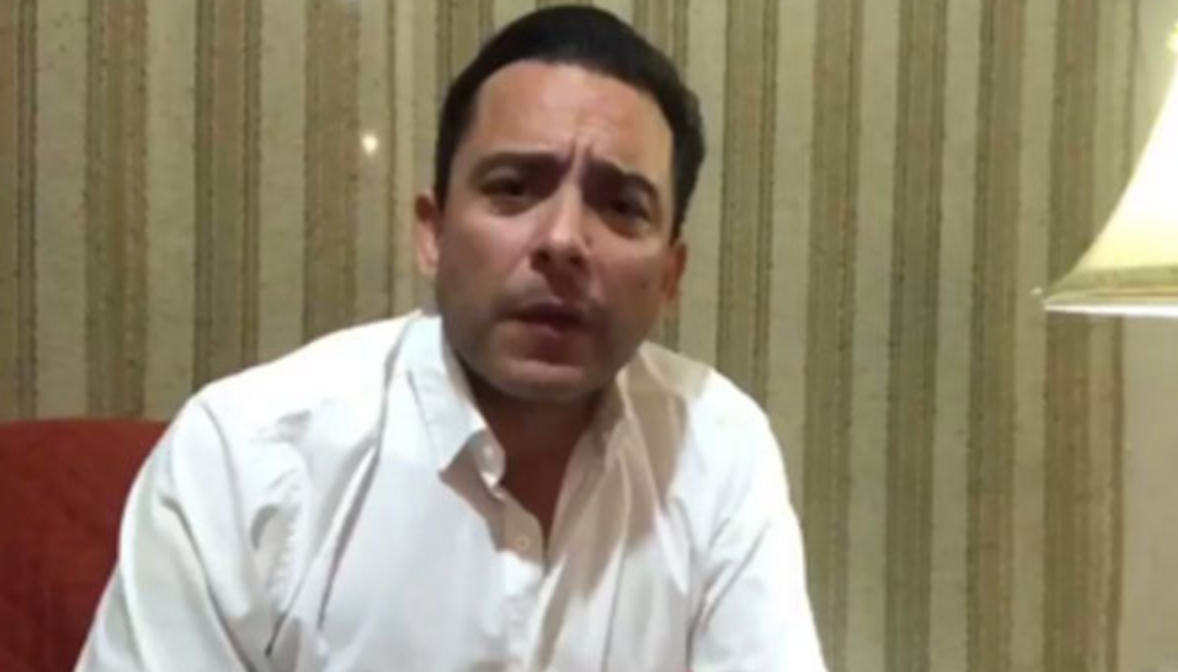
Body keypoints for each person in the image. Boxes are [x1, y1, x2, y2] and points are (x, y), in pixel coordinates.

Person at [77, 6, 825, 671]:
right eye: (513, 188)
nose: (563, 240)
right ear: (433, 233)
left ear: (669, 275)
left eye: (621, 205)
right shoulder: (244, 455)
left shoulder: (718, 449)